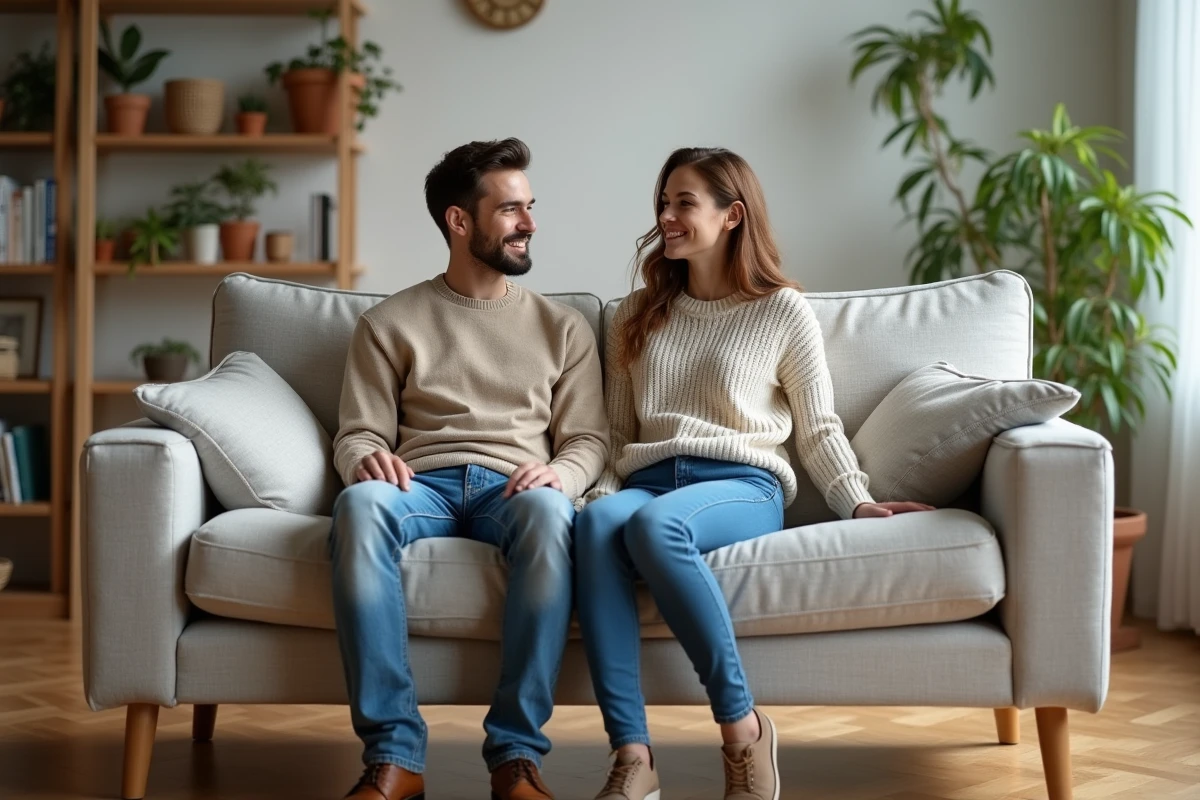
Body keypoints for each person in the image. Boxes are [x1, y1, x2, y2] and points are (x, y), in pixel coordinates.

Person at [575, 147, 934, 800]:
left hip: (741, 485)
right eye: (663, 202)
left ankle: (743, 730)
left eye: (684, 202)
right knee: (599, 523)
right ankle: (633, 757)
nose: (666, 216)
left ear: (732, 215)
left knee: (657, 530)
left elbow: (818, 426)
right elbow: (615, 434)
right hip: (649, 480)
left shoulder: (781, 311)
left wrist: (857, 502)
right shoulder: (633, 314)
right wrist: (600, 491)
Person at [329, 137, 609, 800]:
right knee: (358, 507)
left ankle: (515, 755)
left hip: (516, 487)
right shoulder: (389, 322)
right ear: (460, 221)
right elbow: (358, 430)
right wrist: (362, 458)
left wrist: (562, 478)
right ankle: (396, 757)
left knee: (549, 514)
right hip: (417, 484)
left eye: (530, 207)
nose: (530, 223)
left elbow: (589, 440)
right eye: (512, 209)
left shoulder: (563, 327)